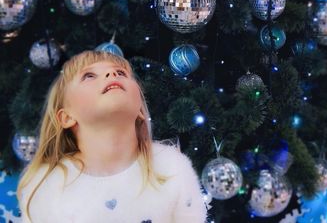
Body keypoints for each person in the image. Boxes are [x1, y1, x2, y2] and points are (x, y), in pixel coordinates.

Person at [17, 50, 208, 223]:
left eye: (122, 73)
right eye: (89, 76)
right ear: (66, 117)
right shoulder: (48, 184)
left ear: (140, 110)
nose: (112, 74)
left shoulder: (171, 166)